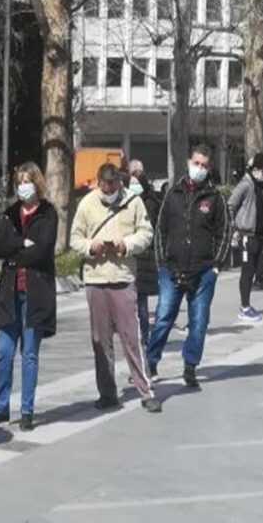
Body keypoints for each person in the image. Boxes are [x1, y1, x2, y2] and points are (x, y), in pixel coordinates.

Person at [71, 162, 160, 414]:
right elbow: (75, 238)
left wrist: (126, 245)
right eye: (105, 186)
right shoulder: (87, 203)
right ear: (98, 183)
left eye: (114, 185)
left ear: (120, 183)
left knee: (132, 338)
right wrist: (91, 247)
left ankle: (146, 390)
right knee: (100, 341)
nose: (109, 190)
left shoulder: (133, 201)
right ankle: (107, 393)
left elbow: (146, 233)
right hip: (96, 279)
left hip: (123, 278)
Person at [0, 163, 59, 430]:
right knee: (4, 352)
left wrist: (17, 254)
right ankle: (1, 407)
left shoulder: (48, 213)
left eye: (27, 181)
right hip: (10, 291)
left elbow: (42, 250)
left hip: (35, 292)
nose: (23, 186)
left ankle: (27, 410)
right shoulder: (10, 214)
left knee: (29, 354)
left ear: (37, 183)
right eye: (20, 182)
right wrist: (21, 244)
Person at [146, 144, 231, 389]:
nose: (199, 168)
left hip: (203, 271)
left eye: (204, 165)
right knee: (163, 317)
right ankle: (150, 363)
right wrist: (161, 262)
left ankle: (190, 366)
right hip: (171, 268)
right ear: (188, 162)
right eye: (196, 163)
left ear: (209, 168)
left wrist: (216, 266)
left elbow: (225, 232)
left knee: (199, 321)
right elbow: (160, 230)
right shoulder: (173, 194)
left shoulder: (215, 198)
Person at [227, 153, 263, 322]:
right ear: (256, 169)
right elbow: (230, 205)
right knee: (247, 271)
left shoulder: (259, 185)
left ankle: (247, 305)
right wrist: (234, 228)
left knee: (252, 270)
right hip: (246, 234)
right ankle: (244, 307)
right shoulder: (245, 185)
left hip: (257, 234)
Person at [126, 161, 162, 347]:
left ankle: (143, 335)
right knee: (132, 301)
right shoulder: (125, 200)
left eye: (138, 174)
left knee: (140, 301)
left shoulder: (150, 202)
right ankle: (135, 334)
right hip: (129, 255)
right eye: (133, 174)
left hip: (144, 258)